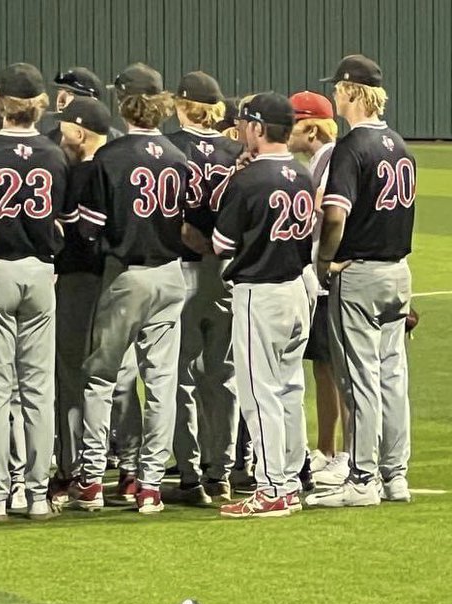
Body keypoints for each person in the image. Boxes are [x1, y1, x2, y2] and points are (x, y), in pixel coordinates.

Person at [71, 63, 188, 514]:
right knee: (161, 382)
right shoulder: (180, 158)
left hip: (126, 276)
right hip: (171, 275)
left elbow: (88, 229)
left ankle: (93, 480)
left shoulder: (111, 157)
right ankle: (152, 484)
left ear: (124, 105)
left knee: (102, 378)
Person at [308, 55, 416, 508]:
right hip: (399, 273)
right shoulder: (400, 144)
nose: (334, 95)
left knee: (360, 378)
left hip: (360, 273)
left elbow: (334, 216)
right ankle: (395, 478)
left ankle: (363, 478)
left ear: (353, 92)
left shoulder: (353, 148)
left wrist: (323, 262)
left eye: (337, 88)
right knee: (393, 377)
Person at [0, 63, 69, 520]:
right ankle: (39, 493)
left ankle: (2, 494)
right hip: (42, 271)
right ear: (40, 105)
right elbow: (66, 222)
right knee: (38, 389)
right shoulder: (56, 153)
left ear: (1, 103)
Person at [212, 92, 315, 517]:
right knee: (290, 389)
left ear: (256, 128)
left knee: (258, 394)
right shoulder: (303, 173)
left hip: (260, 293)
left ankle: (272, 489)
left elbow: (221, 243)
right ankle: (288, 482)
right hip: (297, 291)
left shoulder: (250, 180)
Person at [164, 72, 243, 506]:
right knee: (223, 376)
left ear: (181, 104)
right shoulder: (237, 152)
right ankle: (222, 471)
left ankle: (190, 475)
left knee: (181, 377)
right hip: (228, 271)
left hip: (183, 270)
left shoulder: (170, 147)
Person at [46, 96, 110, 502]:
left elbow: (73, 234)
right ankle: (133, 471)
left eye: (66, 127)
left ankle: (77, 472)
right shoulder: (117, 166)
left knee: (73, 377)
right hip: (117, 279)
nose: (60, 134)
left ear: (81, 132)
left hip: (80, 281)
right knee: (112, 381)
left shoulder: (80, 174)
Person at [288, 90, 346, 486]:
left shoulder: (331, 162)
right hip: (324, 277)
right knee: (324, 367)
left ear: (310, 128)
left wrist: (323, 264)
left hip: (332, 277)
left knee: (337, 368)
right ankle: (326, 449)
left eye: (291, 121)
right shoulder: (321, 160)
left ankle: (343, 454)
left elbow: (330, 215)